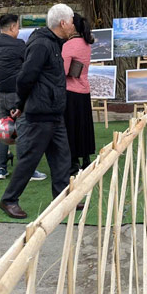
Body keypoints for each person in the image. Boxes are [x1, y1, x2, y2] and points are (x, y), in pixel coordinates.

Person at [0, 4, 77, 219]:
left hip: (53, 112)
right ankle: (9, 200)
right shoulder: (42, 44)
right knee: (30, 158)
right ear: (63, 23)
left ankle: (62, 199)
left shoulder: (53, 43)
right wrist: (20, 104)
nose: (73, 25)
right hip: (40, 113)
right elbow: (25, 77)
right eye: (71, 21)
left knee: (62, 157)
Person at [0, 14, 47, 182]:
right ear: (13, 27)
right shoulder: (19, 45)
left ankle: (1, 168)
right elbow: (27, 68)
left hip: (2, 94)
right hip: (18, 94)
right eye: (17, 27)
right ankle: (26, 171)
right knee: (22, 131)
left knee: (2, 130)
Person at [62, 13, 96, 176]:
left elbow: (63, 71)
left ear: (72, 26)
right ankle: (87, 158)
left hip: (71, 91)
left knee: (71, 127)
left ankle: (73, 161)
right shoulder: (86, 44)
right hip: (84, 89)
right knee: (85, 125)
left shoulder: (68, 45)